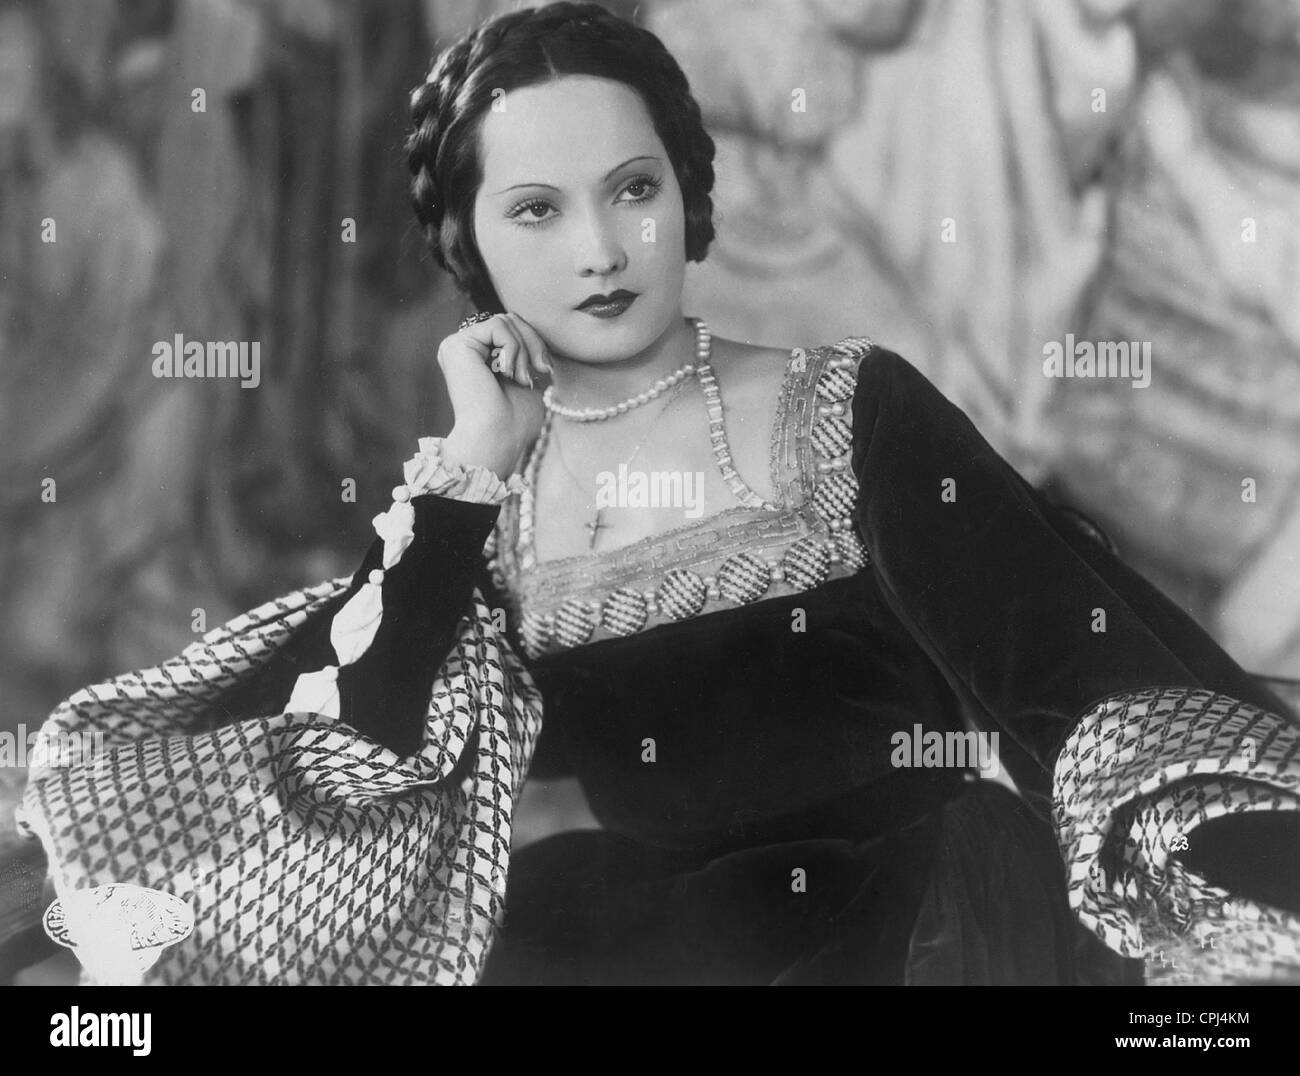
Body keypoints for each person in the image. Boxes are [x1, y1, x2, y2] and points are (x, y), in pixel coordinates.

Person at [16, 1, 1300, 986]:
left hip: (916, 921)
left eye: (632, 188)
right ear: (469, 249)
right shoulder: (487, 495)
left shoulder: (847, 407)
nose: (598, 247)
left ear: (688, 192)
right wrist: (470, 469)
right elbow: (359, 750)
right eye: (536, 210)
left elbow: (1064, 666)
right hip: (642, 935)